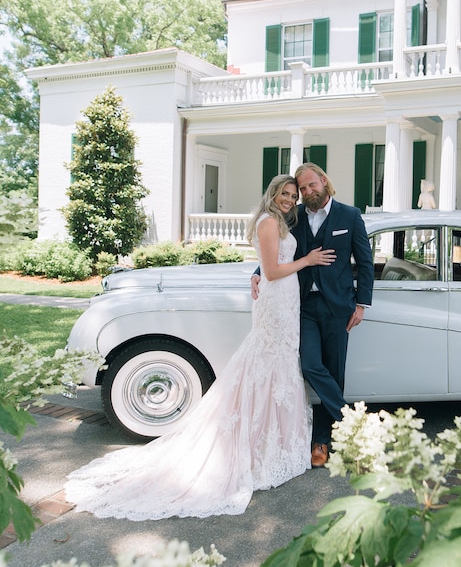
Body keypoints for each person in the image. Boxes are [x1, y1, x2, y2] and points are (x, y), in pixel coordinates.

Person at [64, 175, 335, 520]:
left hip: (286, 302)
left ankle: (275, 444)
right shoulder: (269, 221)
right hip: (276, 300)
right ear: (272, 194)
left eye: (293, 195)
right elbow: (270, 270)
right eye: (284, 193)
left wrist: (288, 266)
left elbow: (267, 266)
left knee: (277, 366)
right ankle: (260, 446)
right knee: (266, 364)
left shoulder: (281, 222)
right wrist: (307, 261)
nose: (289, 199)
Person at [252, 162, 374, 468]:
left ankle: (322, 441)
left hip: (338, 307)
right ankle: (354, 423)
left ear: (323, 182)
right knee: (310, 365)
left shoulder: (350, 215)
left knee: (333, 373)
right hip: (303, 305)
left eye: (310, 186)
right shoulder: (294, 216)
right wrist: (257, 273)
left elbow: (365, 262)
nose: (306, 193)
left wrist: (361, 305)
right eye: (301, 189)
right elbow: (279, 249)